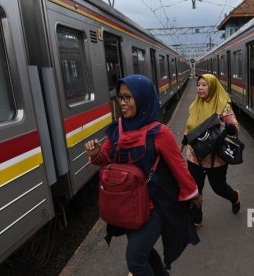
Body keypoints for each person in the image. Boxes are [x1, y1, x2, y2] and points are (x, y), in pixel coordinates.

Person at [85, 74, 202, 276]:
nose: (122, 103)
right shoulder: (118, 129)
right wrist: (96, 154)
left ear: (142, 98)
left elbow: (178, 167)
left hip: (155, 205)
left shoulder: (159, 132)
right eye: (120, 97)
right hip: (129, 205)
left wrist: (192, 194)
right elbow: (106, 157)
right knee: (144, 253)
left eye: (128, 97)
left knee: (135, 259)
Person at [179, 73, 241, 228]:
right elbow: (190, 128)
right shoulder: (195, 105)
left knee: (219, 188)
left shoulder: (223, 106)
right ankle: (197, 219)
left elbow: (235, 128)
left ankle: (234, 197)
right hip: (194, 156)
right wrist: (181, 146)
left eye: (204, 85)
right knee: (195, 189)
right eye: (198, 85)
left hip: (215, 159)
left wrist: (224, 126)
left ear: (212, 86)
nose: (200, 88)